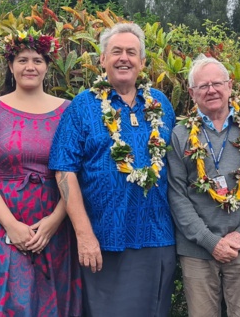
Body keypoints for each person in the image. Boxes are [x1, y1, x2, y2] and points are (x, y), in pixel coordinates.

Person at [48, 23, 176, 316]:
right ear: (102, 59)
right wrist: (84, 235)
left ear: (142, 62)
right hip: (105, 239)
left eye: (132, 52)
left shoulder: (160, 104)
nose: (124, 58)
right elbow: (64, 171)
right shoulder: (83, 106)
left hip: (157, 236)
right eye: (116, 51)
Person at [0, 29, 81, 316]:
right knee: (5, 302)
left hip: (53, 225)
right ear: (11, 65)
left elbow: (76, 173)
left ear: (47, 66)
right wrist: (11, 225)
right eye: (22, 60)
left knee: (50, 303)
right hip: (1, 224)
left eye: (38, 60)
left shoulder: (69, 111)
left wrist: (54, 221)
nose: (30, 66)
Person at [167, 56, 240, 317]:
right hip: (197, 250)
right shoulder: (180, 134)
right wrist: (209, 241)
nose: (211, 90)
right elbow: (176, 194)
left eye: (217, 83)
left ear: (229, 86)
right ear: (192, 93)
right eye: (203, 86)